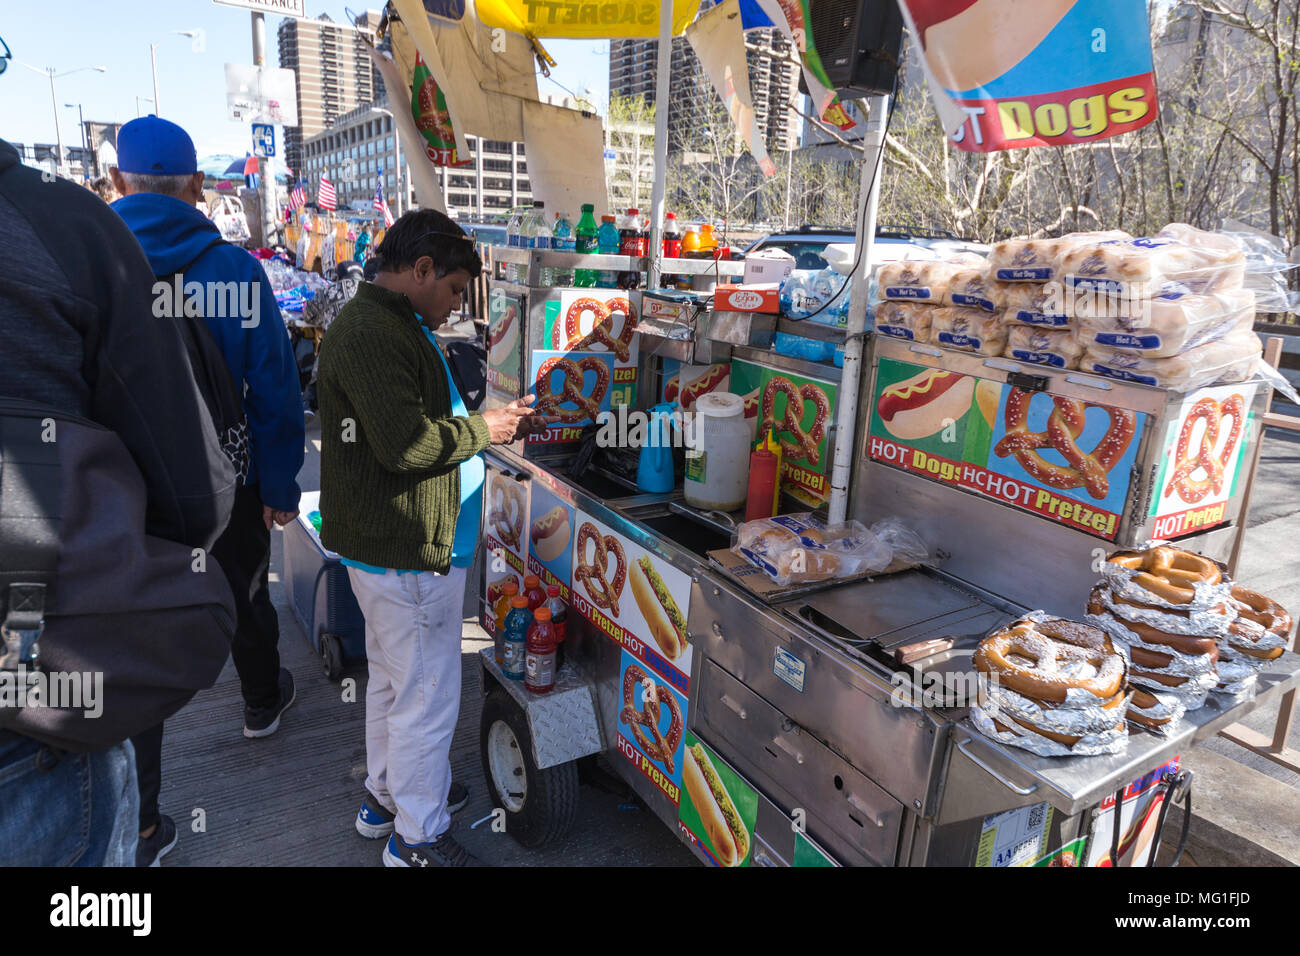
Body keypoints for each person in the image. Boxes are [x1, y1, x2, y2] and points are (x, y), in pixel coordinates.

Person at [0, 136, 234, 866]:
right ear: (197, 184)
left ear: (113, 176)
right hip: (40, 710)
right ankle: (150, 819)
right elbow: (191, 490)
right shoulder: (63, 231)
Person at [317, 210, 548, 867]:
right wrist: (488, 430)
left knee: (394, 684)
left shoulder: (390, 323)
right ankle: (415, 839)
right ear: (420, 270)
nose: (454, 308)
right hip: (409, 551)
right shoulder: (373, 332)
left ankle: (388, 797)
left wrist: (486, 425)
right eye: (452, 290)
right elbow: (407, 444)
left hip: (394, 552)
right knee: (426, 699)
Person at [110, 116, 306, 864]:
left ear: (122, 183)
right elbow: (275, 392)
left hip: (129, 492)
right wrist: (280, 483)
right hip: (231, 480)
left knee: (137, 634)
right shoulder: (232, 271)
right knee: (245, 590)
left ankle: (148, 822)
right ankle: (261, 701)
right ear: (197, 186)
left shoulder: (97, 262)